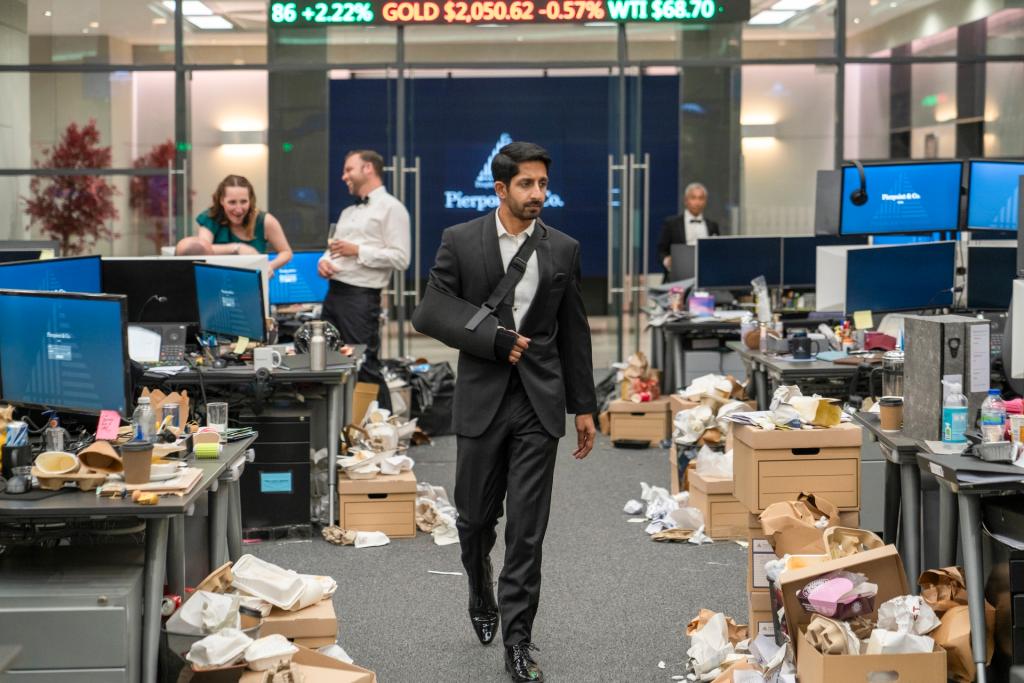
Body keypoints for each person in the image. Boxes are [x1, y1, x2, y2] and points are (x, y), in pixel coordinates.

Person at [413, 141, 596, 683]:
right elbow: (431, 310)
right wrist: (492, 338)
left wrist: (583, 406)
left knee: (528, 532)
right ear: (500, 188)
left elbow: (575, 333)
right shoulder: (461, 241)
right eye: (526, 184)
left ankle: (519, 641)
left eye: (543, 184)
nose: (538, 194)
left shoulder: (562, 249)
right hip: (481, 398)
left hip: (540, 402)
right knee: (473, 521)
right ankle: (478, 585)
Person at [318, 150, 410, 411]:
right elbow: (334, 247)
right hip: (334, 293)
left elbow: (402, 259)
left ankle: (384, 435)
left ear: (368, 168)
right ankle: (345, 429)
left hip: (361, 298)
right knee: (330, 363)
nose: (343, 175)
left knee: (365, 366)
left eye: (349, 169)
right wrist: (323, 261)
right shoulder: (348, 211)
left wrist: (358, 251)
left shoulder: (393, 208)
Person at [194, 174, 293, 276]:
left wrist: (270, 266)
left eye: (244, 201)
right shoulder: (210, 218)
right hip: (217, 282)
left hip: (252, 286)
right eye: (232, 202)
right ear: (222, 201)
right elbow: (202, 250)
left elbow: (286, 252)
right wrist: (237, 248)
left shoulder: (265, 221)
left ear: (250, 200)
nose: (238, 209)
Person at [657, 181, 720, 276]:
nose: (697, 202)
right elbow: (661, 250)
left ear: (705, 201)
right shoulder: (671, 224)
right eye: (693, 198)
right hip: (678, 276)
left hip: (706, 275)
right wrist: (667, 261)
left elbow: (717, 251)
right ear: (686, 200)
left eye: (701, 198)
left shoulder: (712, 225)